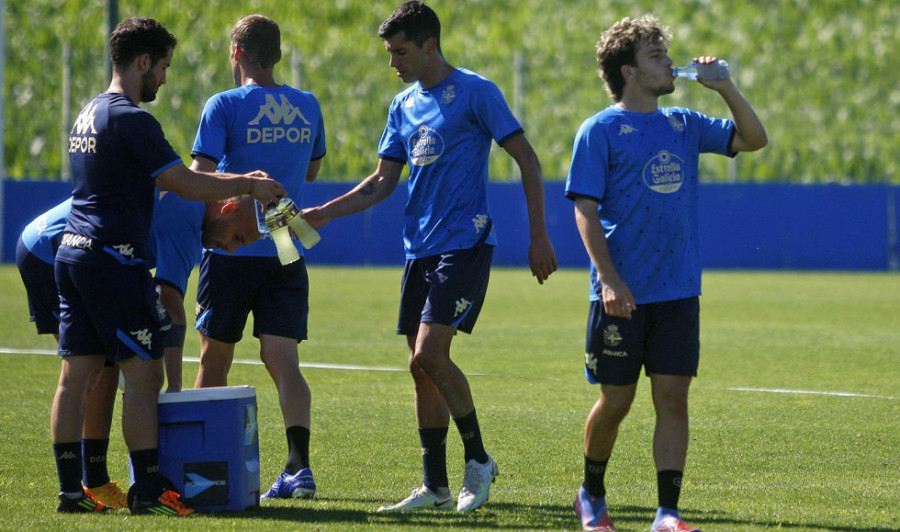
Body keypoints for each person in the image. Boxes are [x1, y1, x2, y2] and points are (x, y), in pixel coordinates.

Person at [302, 0, 557, 513]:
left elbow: (526, 158)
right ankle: (435, 487)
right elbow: (380, 182)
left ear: (429, 45)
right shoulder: (403, 106)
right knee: (420, 370)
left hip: (464, 242)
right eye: (389, 53)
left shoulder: (476, 92)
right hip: (418, 249)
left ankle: (480, 460)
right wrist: (325, 213)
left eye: (399, 52)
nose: (392, 63)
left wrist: (539, 237)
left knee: (429, 355)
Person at [52, 16, 284, 516]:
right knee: (143, 372)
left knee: (78, 375)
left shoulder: (88, 112)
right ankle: (149, 489)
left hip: (72, 253)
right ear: (142, 62)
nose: (163, 78)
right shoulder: (132, 118)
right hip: (113, 258)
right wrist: (247, 184)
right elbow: (184, 182)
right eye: (161, 67)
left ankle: (72, 491)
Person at [565, 15, 767, 532]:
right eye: (656, 56)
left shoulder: (683, 122)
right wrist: (608, 279)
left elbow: (754, 139)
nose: (668, 62)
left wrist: (725, 87)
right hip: (621, 293)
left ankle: (667, 514)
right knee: (616, 400)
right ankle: (590, 495)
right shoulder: (599, 130)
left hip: (678, 289)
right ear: (629, 71)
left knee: (673, 400)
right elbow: (584, 210)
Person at [17, 192, 261, 509]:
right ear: (227, 208)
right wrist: (173, 392)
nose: (232, 248)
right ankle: (83, 490)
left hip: (52, 245)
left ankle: (94, 483)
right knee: (87, 371)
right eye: (238, 237)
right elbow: (171, 304)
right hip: (50, 253)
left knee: (102, 370)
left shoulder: (191, 209)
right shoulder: (187, 217)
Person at [189, 14, 326, 500]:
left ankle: (200, 468)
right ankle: (299, 468)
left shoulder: (223, 104)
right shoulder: (307, 105)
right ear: (279, 55)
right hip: (286, 240)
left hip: (234, 245)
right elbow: (311, 165)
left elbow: (200, 175)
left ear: (236, 54)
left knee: (214, 358)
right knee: (284, 360)